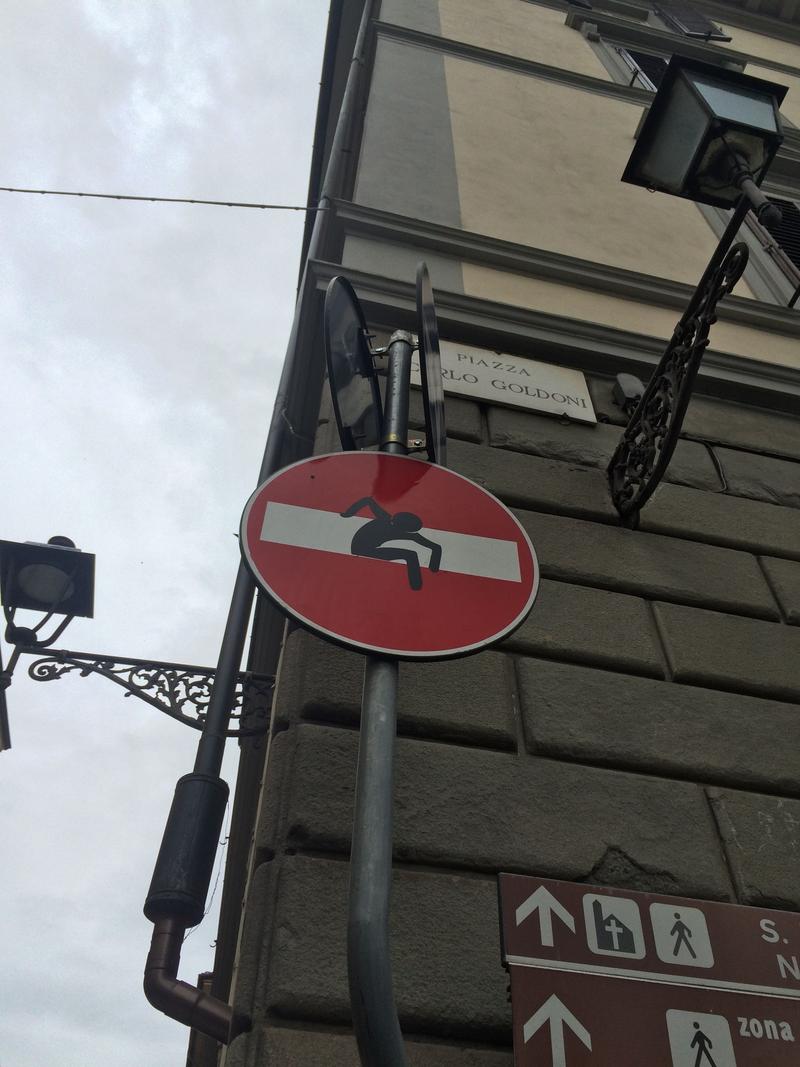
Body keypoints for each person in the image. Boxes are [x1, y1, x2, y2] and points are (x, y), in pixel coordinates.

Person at [340, 496, 442, 591]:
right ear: (406, 530)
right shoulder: (401, 531)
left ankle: (426, 577)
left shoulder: (386, 518)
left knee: (411, 555)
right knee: (410, 555)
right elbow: (433, 546)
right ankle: (416, 586)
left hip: (363, 546)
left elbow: (368, 500)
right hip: (361, 549)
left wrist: (348, 514)